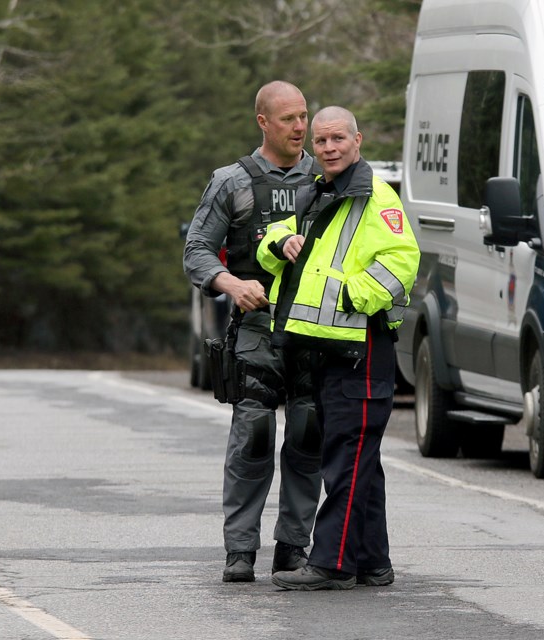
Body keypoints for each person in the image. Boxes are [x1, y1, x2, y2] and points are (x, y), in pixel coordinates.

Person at [257, 106, 419, 590]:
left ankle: (331, 562)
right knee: (356, 456)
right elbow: (275, 236)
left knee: (347, 460)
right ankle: (373, 562)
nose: (328, 148)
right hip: (328, 348)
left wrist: (352, 297)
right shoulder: (318, 191)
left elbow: (402, 260)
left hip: (362, 346)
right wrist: (281, 241)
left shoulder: (375, 197)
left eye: (337, 140)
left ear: (357, 141)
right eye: (321, 141)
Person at [183, 81, 323, 583]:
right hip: (256, 330)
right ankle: (239, 550)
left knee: (309, 434)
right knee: (254, 437)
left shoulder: (328, 177)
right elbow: (196, 248)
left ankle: (294, 548)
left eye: (304, 116)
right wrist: (229, 282)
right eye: (289, 118)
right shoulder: (231, 181)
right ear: (263, 122)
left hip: (314, 331)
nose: (301, 127)